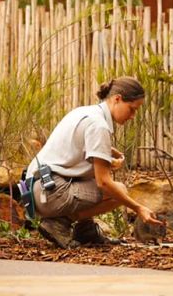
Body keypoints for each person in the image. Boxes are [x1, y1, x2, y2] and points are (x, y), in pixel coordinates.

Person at [25, 76, 164, 248]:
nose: (133, 116)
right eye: (132, 109)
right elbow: (103, 182)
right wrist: (138, 208)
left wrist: (107, 154)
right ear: (117, 99)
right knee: (118, 190)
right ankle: (59, 223)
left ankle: (86, 230)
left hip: (37, 189)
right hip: (50, 193)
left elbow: (71, 150)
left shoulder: (85, 112)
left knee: (95, 181)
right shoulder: (98, 125)